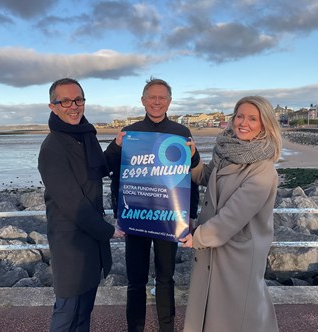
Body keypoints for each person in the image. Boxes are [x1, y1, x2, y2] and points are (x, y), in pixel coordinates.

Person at [104, 77, 200, 332]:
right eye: (152, 97)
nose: (157, 102)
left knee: (166, 278)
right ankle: (134, 328)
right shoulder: (129, 133)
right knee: (135, 280)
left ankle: (166, 328)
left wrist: (190, 215)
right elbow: (109, 170)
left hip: (169, 218)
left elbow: (190, 177)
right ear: (143, 100)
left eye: (162, 98)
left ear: (169, 101)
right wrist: (115, 147)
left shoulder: (181, 133)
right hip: (136, 216)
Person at [180, 95, 282, 332]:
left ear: (264, 125)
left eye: (252, 118)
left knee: (236, 318)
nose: (243, 123)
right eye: (240, 116)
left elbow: (232, 217)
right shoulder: (227, 153)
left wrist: (197, 237)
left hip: (238, 254)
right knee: (213, 314)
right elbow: (204, 176)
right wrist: (190, 156)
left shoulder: (263, 171)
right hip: (216, 246)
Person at [38, 78, 124, 332]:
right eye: (64, 101)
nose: (73, 106)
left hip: (90, 239)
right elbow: (71, 201)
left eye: (78, 100)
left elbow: (99, 169)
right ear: (53, 106)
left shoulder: (85, 136)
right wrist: (109, 230)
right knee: (67, 312)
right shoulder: (52, 147)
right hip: (70, 242)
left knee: (84, 311)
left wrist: (116, 147)